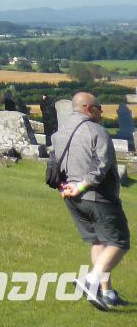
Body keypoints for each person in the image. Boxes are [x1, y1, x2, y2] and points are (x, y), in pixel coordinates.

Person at [52, 90, 128, 309]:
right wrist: (82, 186)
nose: (101, 112)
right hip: (97, 197)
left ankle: (107, 293)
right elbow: (101, 166)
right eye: (98, 108)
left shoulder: (60, 133)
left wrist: (66, 188)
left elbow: (55, 165)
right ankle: (91, 280)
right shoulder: (97, 131)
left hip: (72, 199)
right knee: (119, 242)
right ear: (87, 108)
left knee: (98, 240)